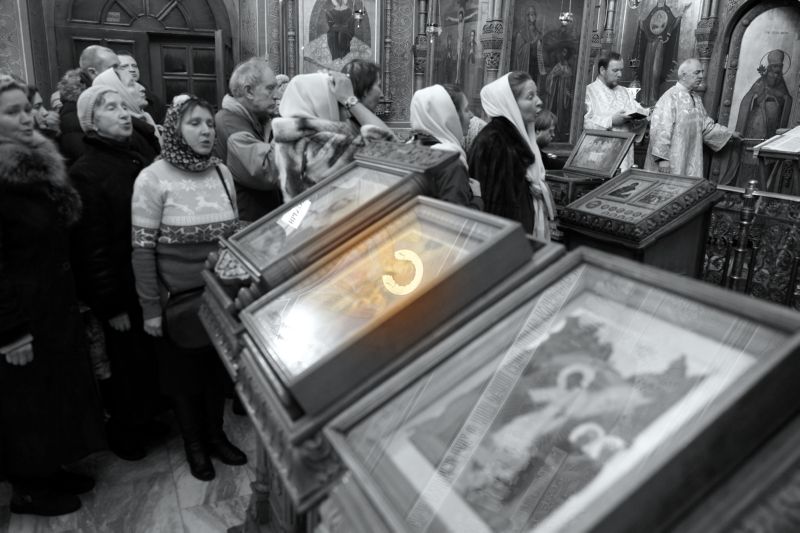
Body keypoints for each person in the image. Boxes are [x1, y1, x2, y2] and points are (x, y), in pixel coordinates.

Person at [0, 74, 104, 516]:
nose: (26, 118)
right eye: (12, 112)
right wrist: (10, 330)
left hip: (51, 303)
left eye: (27, 108)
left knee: (52, 394)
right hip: (20, 312)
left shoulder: (37, 157)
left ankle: (51, 467)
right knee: (24, 403)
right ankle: (28, 488)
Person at [132, 94, 247, 482]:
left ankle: (216, 437)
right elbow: (142, 249)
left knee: (216, 374)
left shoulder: (221, 173)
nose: (205, 131)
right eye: (194, 123)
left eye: (210, 124)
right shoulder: (152, 178)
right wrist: (150, 308)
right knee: (183, 380)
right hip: (176, 302)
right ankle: (195, 446)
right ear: (174, 129)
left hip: (219, 295)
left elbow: (231, 235)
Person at [68, 85, 161, 461]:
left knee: (146, 359)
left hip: (145, 281)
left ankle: (148, 419)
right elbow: (91, 249)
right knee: (126, 366)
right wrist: (111, 306)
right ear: (91, 122)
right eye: (111, 108)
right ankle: (127, 432)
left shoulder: (134, 158)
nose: (124, 113)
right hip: (121, 289)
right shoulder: (86, 173)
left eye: (124, 106)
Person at [272, 72, 393, 200]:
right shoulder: (322, 143)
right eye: (338, 104)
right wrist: (350, 100)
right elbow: (390, 148)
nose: (346, 112)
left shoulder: (287, 138)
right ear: (323, 103)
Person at [468, 71, 555, 240]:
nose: (539, 102)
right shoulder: (496, 142)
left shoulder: (517, 138)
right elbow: (495, 211)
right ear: (510, 104)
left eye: (536, 94)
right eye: (530, 97)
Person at [645, 58, 741, 177]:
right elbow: (660, 128)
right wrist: (662, 159)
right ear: (683, 75)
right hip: (671, 160)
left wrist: (729, 134)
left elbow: (705, 126)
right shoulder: (670, 97)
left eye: (702, 72)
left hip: (690, 157)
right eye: (697, 72)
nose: (701, 76)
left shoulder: (696, 98)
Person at [214, 58, 283, 223]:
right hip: (249, 226)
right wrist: (288, 124)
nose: (277, 95)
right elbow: (268, 171)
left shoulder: (257, 119)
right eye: (270, 88)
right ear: (249, 91)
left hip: (261, 221)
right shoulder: (230, 123)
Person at [409, 84, 482, 209]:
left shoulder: (408, 148)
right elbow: (457, 218)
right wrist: (476, 198)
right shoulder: (450, 163)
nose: (471, 115)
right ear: (450, 116)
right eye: (466, 110)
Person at [733, 49, 793, 187]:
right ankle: (743, 187)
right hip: (756, 126)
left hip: (773, 127)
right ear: (770, 67)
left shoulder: (781, 84)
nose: (777, 70)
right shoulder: (760, 82)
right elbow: (748, 99)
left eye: (780, 66)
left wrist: (782, 99)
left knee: (767, 159)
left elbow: (788, 99)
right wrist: (760, 97)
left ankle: (763, 190)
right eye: (775, 66)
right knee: (751, 158)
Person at [584, 52, 650, 171]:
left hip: (625, 156)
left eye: (621, 70)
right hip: (601, 155)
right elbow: (585, 123)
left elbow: (638, 115)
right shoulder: (589, 92)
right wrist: (611, 121)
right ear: (602, 70)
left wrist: (641, 119)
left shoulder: (625, 92)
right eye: (615, 70)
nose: (620, 74)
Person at [59, 46, 120, 165]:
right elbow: (88, 159)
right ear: (92, 72)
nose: (120, 73)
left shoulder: (112, 96)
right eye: (113, 67)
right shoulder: (73, 111)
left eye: (120, 67)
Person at [93, 67, 160, 160]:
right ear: (117, 92)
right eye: (131, 84)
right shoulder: (126, 136)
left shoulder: (143, 121)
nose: (142, 88)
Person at [340, 59, 392, 133]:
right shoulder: (344, 128)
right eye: (378, 86)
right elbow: (388, 138)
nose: (381, 95)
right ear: (365, 90)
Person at [117, 52, 165, 124]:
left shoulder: (153, 99)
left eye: (134, 66)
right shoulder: (112, 97)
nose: (132, 69)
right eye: (124, 66)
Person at [544, 45, 575, 140]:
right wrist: (554, 76)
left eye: (565, 52)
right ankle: (552, 130)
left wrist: (567, 91)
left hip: (563, 95)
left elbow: (570, 82)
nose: (563, 54)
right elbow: (549, 77)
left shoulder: (568, 68)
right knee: (554, 110)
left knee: (563, 112)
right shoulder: (557, 66)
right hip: (556, 94)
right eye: (562, 52)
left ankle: (561, 131)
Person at [514, 6, 546, 89]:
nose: (533, 16)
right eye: (531, 14)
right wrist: (533, 42)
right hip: (526, 63)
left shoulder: (538, 32)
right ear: (527, 16)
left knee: (534, 83)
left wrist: (540, 42)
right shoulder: (522, 32)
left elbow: (541, 48)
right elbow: (519, 51)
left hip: (535, 63)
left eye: (534, 14)